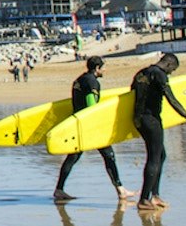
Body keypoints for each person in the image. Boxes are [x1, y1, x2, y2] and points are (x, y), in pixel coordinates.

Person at [53, 57, 134, 203]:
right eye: (103, 67)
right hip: (90, 126)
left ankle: (59, 189)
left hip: (78, 123)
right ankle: (121, 190)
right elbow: (91, 105)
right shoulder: (92, 82)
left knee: (73, 157)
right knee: (108, 155)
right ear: (97, 68)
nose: (104, 70)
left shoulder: (80, 79)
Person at [131, 53, 186, 213]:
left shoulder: (141, 73)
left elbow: (131, 95)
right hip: (151, 119)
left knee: (161, 155)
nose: (171, 73)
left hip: (139, 119)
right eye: (172, 70)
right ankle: (143, 199)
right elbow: (172, 99)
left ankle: (154, 195)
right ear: (168, 64)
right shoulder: (160, 75)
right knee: (154, 157)